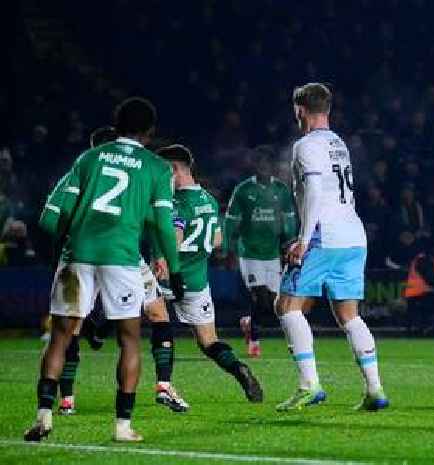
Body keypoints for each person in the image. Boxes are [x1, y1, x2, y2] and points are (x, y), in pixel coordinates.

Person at [25, 97, 185, 442]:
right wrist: (176, 268)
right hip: (121, 259)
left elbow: (49, 219)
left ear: (116, 125)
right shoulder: (156, 167)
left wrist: (71, 241)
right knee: (129, 339)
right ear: (150, 132)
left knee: (60, 338)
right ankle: (123, 427)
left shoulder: (89, 157)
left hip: (78, 256)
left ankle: (43, 415)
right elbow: (161, 223)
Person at [275, 83, 388, 412]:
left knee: (287, 306)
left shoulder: (305, 145)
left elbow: (313, 191)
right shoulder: (338, 143)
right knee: (349, 315)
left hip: (324, 235)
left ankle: (309, 385)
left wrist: (304, 239)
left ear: (300, 110)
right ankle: (375, 389)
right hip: (353, 235)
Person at [157, 144, 263, 403]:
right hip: (198, 281)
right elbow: (217, 239)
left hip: (170, 274)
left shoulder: (176, 203)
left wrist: (163, 257)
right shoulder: (209, 199)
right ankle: (239, 369)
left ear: (173, 171)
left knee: (155, 324)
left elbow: (176, 239)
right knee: (208, 341)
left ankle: (164, 384)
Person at [223, 145, 297, 358]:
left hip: (272, 254)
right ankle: (254, 340)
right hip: (250, 253)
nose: (263, 167)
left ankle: (248, 323)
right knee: (260, 296)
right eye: (259, 163)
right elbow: (231, 222)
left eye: (267, 163)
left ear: (272, 166)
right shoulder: (243, 190)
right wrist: (229, 249)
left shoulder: (281, 191)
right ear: (254, 166)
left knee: (274, 303)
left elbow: (289, 220)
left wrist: (289, 242)